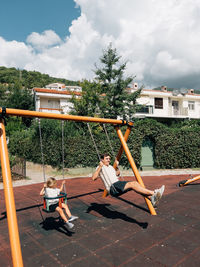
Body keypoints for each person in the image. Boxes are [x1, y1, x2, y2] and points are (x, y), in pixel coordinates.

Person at [92, 153, 165, 207]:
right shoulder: (100, 167)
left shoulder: (110, 167)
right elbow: (93, 178)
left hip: (117, 183)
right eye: (107, 159)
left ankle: (151, 198)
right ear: (102, 160)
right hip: (113, 187)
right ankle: (154, 193)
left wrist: (117, 167)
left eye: (109, 159)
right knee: (132, 184)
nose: (109, 160)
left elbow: (117, 174)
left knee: (135, 184)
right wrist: (100, 166)